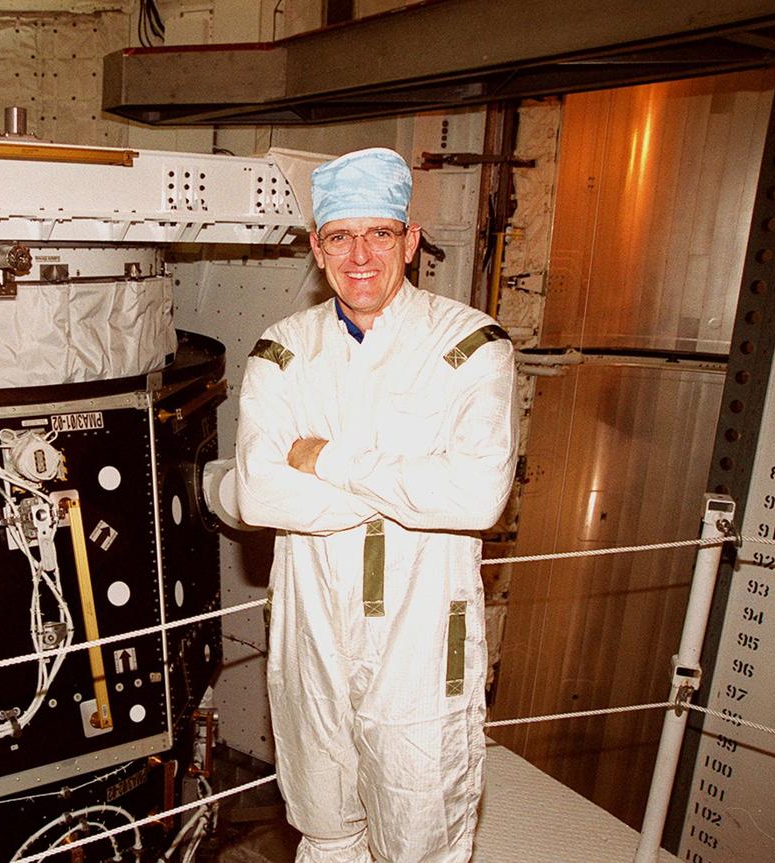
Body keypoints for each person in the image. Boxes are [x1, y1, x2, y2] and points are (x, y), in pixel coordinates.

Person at [217, 148, 518, 862]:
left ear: (410, 240)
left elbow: (476, 494)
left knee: (419, 838)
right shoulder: (283, 352)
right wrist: (406, 488)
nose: (361, 256)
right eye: (341, 236)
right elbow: (259, 491)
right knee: (324, 826)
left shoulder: (470, 348)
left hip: (418, 647)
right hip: (312, 633)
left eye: (380, 233)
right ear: (317, 248)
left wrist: (329, 460)